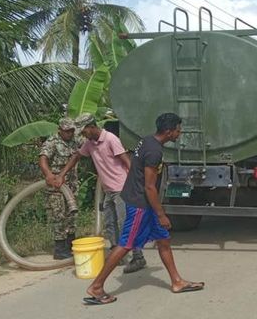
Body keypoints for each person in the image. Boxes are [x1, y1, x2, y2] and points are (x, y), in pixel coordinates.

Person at [83, 113, 204, 305]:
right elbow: (149, 186)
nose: (179, 134)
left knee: (163, 240)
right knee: (126, 244)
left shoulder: (147, 141)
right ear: (168, 131)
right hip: (140, 203)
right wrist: (161, 214)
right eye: (177, 130)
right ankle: (96, 286)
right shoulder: (154, 151)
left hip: (145, 202)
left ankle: (177, 281)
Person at [59, 113, 146, 273]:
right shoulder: (90, 143)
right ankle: (116, 252)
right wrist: (61, 175)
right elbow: (77, 156)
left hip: (121, 188)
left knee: (125, 223)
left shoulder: (111, 139)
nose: (83, 135)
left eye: (84, 131)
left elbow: (126, 160)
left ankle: (138, 257)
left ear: (92, 127)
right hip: (108, 189)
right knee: (109, 223)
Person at [39, 118, 80, 259]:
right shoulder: (52, 142)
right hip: (56, 187)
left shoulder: (75, 141)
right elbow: (43, 159)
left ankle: (71, 244)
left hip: (72, 185)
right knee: (59, 215)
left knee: (72, 215)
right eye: (67, 131)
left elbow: (77, 155)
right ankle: (60, 248)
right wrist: (49, 175)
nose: (70, 133)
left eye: (72, 131)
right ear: (60, 130)